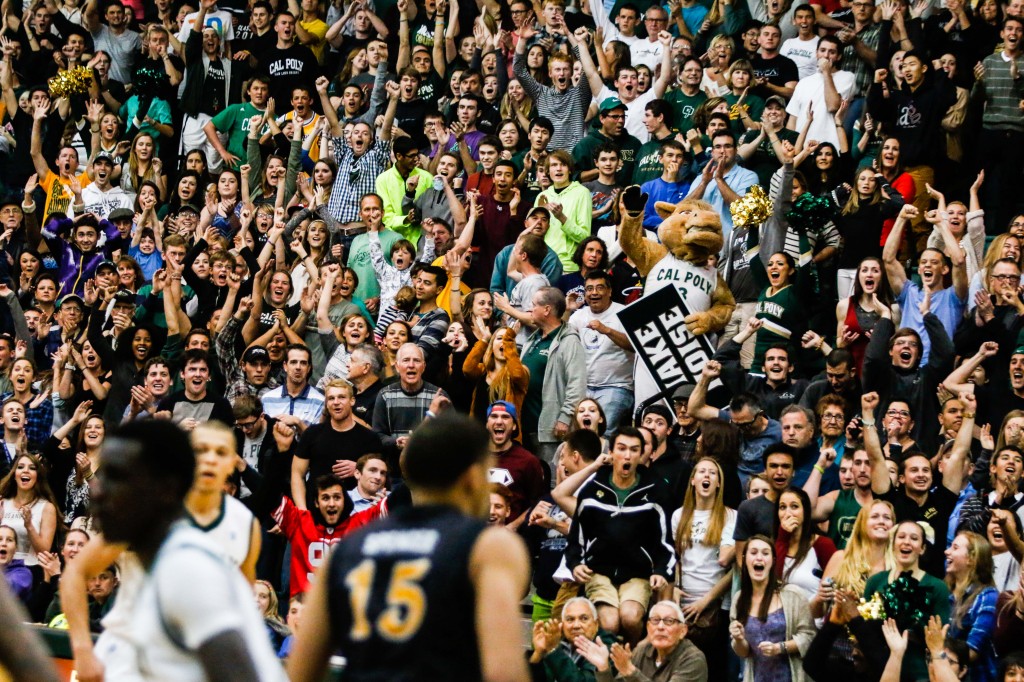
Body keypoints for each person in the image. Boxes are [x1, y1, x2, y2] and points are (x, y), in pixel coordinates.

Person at [286, 412, 531, 682]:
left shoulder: (348, 547)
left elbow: (301, 671)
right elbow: (503, 672)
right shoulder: (488, 547)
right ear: (474, 477)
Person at [88, 419, 286, 680]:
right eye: (201, 450)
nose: (210, 459)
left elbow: (240, 606)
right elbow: (75, 575)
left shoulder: (237, 525)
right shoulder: (153, 519)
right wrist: (81, 646)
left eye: (220, 452)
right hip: (133, 647)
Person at [563, 427, 675, 644]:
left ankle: (631, 662)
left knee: (630, 618)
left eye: (634, 450)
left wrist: (661, 570)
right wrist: (575, 563)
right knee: (609, 622)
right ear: (611, 452)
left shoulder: (656, 491)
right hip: (599, 571)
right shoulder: (592, 489)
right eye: (622, 449)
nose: (627, 455)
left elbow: (665, 541)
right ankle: (607, 667)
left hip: (637, 573)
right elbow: (576, 535)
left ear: (641, 455)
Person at [729, 535, 816, 682]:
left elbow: (810, 637)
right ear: (744, 560)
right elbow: (744, 652)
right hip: (756, 677)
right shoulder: (739, 599)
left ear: (773, 561)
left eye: (765, 553)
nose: (759, 558)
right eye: (754, 552)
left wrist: (779, 648)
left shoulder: (792, 595)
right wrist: (738, 639)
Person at [292, 378, 382, 508]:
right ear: (326, 404)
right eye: (331, 398)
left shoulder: (369, 438)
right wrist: (302, 511)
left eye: (341, 397)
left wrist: (360, 469)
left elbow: (380, 477)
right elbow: (297, 474)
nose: (336, 402)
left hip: (356, 512)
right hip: (316, 511)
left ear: (352, 401)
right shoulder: (312, 434)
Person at [528, 596, 618, 680]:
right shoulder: (556, 640)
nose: (576, 625)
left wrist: (553, 650)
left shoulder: (606, 645)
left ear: (596, 623)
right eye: (570, 619)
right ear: (562, 624)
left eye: (584, 618)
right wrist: (538, 653)